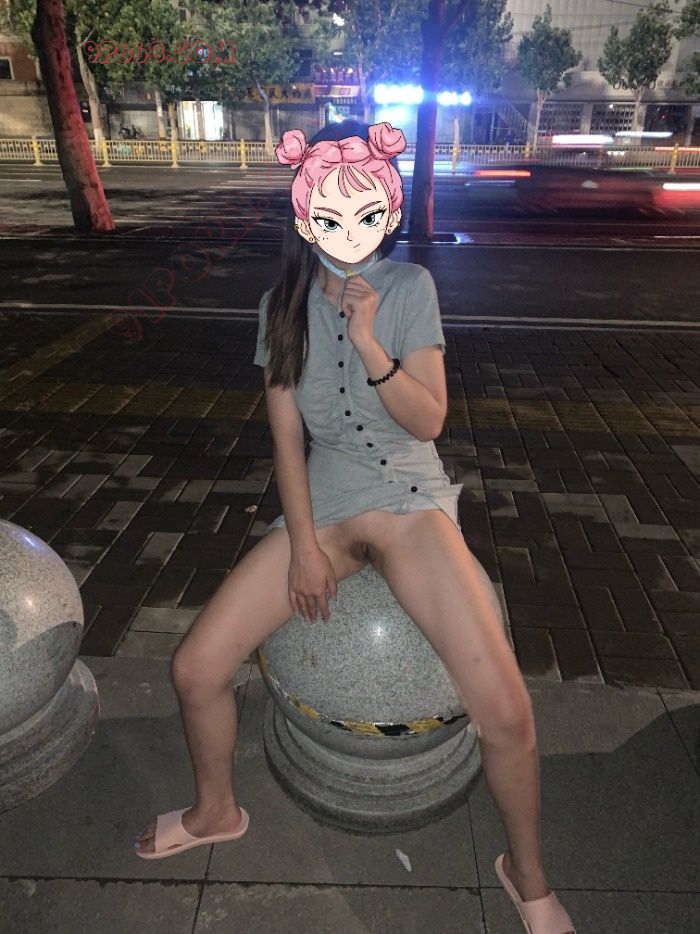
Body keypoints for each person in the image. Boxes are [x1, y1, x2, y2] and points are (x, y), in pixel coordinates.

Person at [132, 118, 575, 934]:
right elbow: (286, 438)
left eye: (366, 206)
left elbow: (429, 420)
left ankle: (528, 874)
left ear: (387, 206)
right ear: (305, 214)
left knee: (507, 713)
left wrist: (371, 343)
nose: (350, 226)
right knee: (195, 669)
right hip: (325, 508)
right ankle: (215, 810)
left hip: (408, 502)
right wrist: (303, 546)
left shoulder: (409, 288)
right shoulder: (279, 307)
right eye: (331, 209)